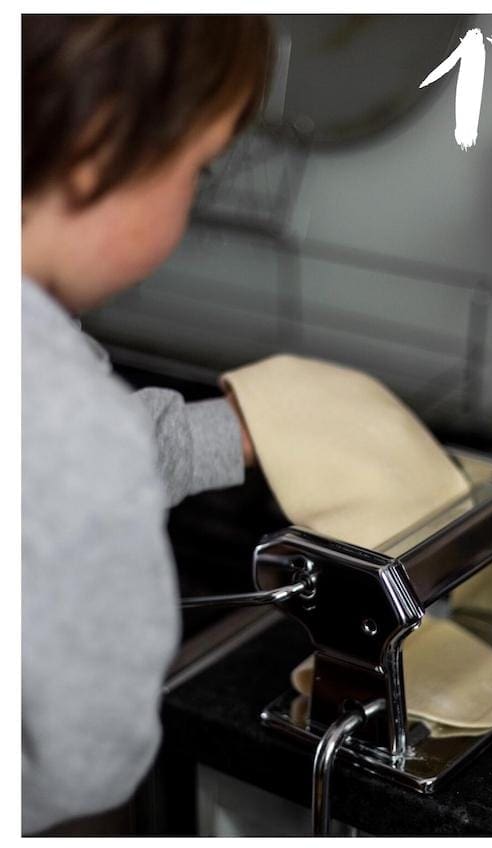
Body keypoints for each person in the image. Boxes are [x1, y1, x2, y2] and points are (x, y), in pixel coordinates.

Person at [21, 15, 273, 833]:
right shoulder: (71, 425)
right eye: (198, 167)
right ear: (99, 143)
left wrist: (229, 432)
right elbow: (90, 755)